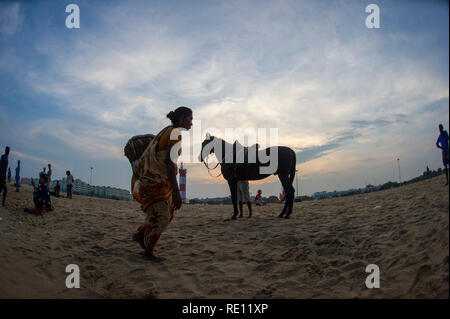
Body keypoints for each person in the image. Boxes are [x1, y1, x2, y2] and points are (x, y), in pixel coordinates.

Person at [132, 106, 193, 261]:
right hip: (155, 182)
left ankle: (141, 234)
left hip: (155, 180)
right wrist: (176, 191)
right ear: (181, 119)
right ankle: (148, 251)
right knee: (162, 217)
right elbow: (169, 164)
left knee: (168, 211)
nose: (192, 123)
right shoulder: (175, 134)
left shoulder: (167, 130)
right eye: (190, 119)